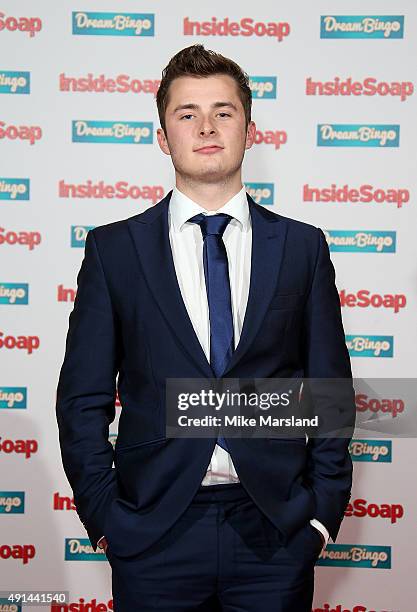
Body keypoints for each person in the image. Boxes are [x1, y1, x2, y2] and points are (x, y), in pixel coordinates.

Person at [56, 44, 355, 611]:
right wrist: (106, 519)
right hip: (153, 533)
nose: (207, 126)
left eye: (224, 111)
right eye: (186, 114)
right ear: (164, 137)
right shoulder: (114, 250)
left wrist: (319, 514)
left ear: (250, 129)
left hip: (275, 531)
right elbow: (82, 399)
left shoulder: (301, 248)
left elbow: (329, 393)